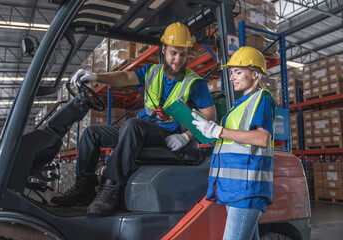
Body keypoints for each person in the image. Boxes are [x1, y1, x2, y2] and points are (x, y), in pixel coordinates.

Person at [50, 22, 217, 215]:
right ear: (164, 50)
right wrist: (95, 76)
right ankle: (84, 187)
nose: (178, 59)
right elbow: (125, 77)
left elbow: (209, 116)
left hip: (168, 134)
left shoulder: (194, 82)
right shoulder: (152, 72)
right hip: (143, 129)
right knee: (91, 133)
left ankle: (111, 188)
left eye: (183, 54)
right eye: (173, 53)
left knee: (133, 125)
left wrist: (185, 137)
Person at [191, 46, 276, 240]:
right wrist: (205, 128)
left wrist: (218, 131)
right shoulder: (239, 105)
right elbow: (231, 142)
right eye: (231, 73)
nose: (232, 78)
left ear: (254, 74)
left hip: (247, 189)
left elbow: (262, 138)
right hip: (235, 188)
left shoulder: (262, 99)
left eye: (238, 72)